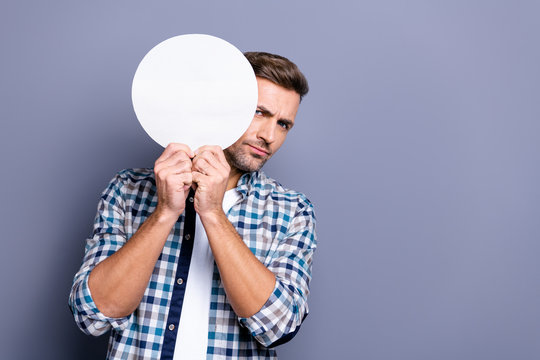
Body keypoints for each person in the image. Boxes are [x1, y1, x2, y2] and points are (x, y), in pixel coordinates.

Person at [69, 51, 317, 359]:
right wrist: (164, 213)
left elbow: (278, 327)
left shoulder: (292, 211)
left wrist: (213, 213)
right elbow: (92, 316)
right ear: (221, 106)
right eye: (258, 112)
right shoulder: (128, 190)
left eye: (283, 124)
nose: (269, 135)